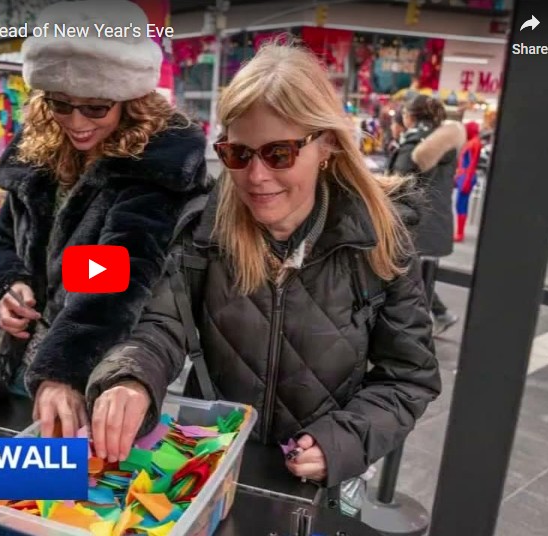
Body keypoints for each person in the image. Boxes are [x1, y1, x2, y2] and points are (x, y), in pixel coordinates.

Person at [85, 43, 441, 507]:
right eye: (237, 154)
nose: (255, 176)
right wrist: (131, 378)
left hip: (315, 486)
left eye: (279, 153)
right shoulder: (203, 232)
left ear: (327, 144)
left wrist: (344, 441)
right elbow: (160, 326)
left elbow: (409, 375)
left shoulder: (379, 243)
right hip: (207, 465)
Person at [0, 0, 210, 439]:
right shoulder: (37, 152)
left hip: (98, 373)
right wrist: (10, 286)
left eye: (96, 108)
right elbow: (7, 239)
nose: (76, 122)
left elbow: (117, 270)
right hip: (24, 364)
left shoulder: (153, 165)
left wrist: (64, 370)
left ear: (131, 102)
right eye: (61, 104)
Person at [388, 95, 466, 334]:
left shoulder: (414, 143)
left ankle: (418, 327)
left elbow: (395, 184)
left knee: (406, 278)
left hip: (414, 222)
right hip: (437, 221)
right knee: (421, 277)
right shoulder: (442, 142)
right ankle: (437, 315)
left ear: (409, 116)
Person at [454, 122, 482, 242]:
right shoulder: (472, 142)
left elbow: (472, 164)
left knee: (461, 204)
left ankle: (460, 233)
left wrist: (467, 179)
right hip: (463, 176)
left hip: (466, 177)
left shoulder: (475, 143)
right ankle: (459, 232)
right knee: (459, 204)